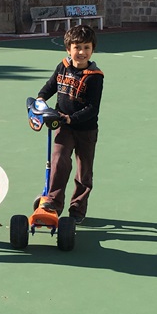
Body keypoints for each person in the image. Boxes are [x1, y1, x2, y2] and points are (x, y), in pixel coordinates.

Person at [35, 24, 104, 224]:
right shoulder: (63, 66)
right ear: (68, 49)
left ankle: (77, 209)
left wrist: (71, 118)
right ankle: (53, 202)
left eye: (86, 47)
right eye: (77, 47)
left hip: (86, 130)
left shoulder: (95, 77)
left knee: (84, 172)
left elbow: (93, 108)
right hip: (63, 127)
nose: (81, 52)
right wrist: (40, 98)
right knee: (58, 161)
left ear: (92, 50)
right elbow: (50, 86)